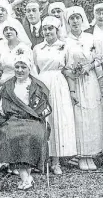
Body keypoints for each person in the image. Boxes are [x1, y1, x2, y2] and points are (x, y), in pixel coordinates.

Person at [0, 54, 51, 190]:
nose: (20, 70)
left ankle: (26, 178)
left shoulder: (38, 85)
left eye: (23, 67)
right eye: (17, 67)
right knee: (12, 136)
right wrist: (13, 114)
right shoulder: (8, 85)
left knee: (32, 134)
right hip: (13, 120)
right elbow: (2, 107)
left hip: (33, 120)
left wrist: (33, 113)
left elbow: (45, 107)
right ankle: (26, 178)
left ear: (29, 68)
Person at [63, 7, 103, 170]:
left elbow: (101, 58)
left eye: (77, 18)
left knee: (93, 115)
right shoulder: (65, 42)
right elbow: (64, 65)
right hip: (75, 82)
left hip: (91, 80)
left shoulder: (91, 38)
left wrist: (90, 66)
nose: (75, 21)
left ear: (83, 20)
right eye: (71, 19)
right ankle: (81, 155)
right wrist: (73, 71)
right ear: (67, 22)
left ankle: (92, 154)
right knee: (79, 116)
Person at [33, 16, 77, 175]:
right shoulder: (37, 48)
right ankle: (42, 160)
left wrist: (72, 91)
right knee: (43, 119)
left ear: (57, 30)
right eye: (45, 29)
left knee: (57, 119)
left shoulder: (65, 46)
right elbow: (34, 70)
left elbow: (69, 70)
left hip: (59, 83)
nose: (47, 32)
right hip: (42, 82)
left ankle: (56, 162)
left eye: (50, 28)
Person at [85, 3, 103, 125]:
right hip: (93, 70)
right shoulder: (88, 32)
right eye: (98, 13)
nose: (101, 16)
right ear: (94, 14)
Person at [0, 19, 35, 89]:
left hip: (21, 82)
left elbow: (30, 69)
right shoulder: (0, 48)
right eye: (6, 30)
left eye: (11, 29)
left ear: (16, 31)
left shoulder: (25, 48)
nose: (8, 32)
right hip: (2, 82)